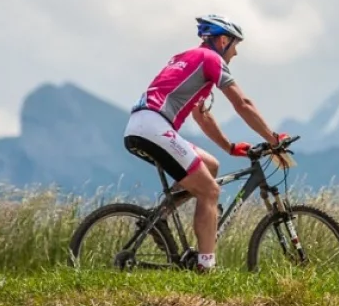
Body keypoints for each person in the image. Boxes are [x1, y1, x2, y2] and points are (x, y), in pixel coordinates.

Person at [123, 14, 287, 273]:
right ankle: (206, 268)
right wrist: (273, 139)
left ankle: (159, 219)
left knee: (210, 166)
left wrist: (230, 147)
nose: (235, 53)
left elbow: (201, 114)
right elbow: (242, 104)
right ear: (223, 41)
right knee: (210, 192)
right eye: (235, 46)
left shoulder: (187, 58)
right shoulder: (213, 60)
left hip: (139, 126)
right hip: (155, 127)